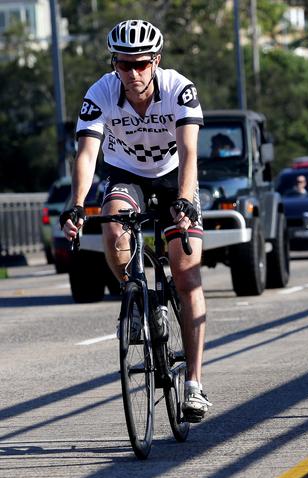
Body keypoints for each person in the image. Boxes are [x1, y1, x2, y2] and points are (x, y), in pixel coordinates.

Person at [60, 19, 211, 422]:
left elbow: (190, 152)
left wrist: (183, 200)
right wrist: (76, 204)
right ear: (115, 65)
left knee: (186, 275)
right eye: (124, 65)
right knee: (111, 221)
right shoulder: (101, 92)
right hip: (126, 174)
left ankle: (194, 384)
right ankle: (136, 296)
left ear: (155, 61)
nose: (132, 74)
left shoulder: (179, 89)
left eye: (141, 64)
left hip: (173, 176)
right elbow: (88, 154)